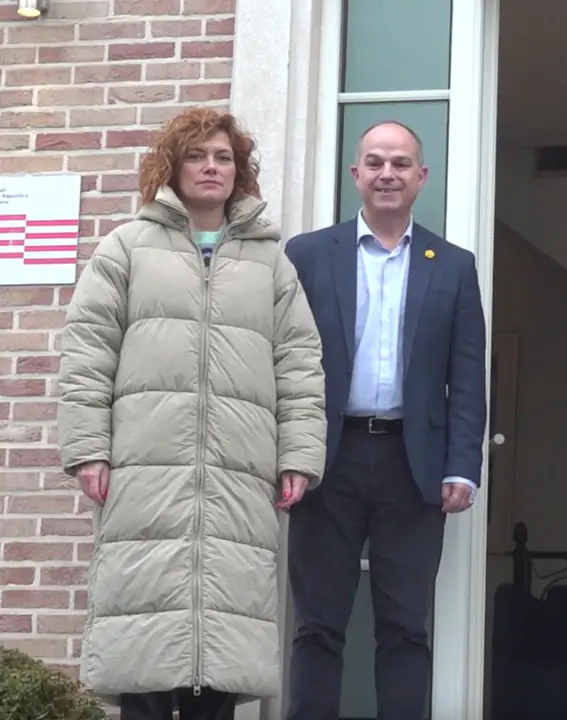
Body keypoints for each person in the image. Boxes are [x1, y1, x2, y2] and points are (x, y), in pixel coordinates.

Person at [56, 107, 328, 720]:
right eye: (197, 156)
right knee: (145, 642)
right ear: (172, 167)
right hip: (144, 476)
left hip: (239, 480)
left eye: (223, 157)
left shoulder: (270, 262)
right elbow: (86, 353)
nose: (211, 167)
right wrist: (88, 449)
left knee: (223, 648)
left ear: (239, 171)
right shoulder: (126, 248)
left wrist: (298, 455)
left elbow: (300, 364)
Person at [282, 120, 488, 720]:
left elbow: (467, 376)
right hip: (328, 458)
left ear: (422, 177)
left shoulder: (452, 265)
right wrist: (288, 453)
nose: (387, 174)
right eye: (375, 162)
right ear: (356, 174)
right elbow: (282, 360)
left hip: (412, 464)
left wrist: (463, 465)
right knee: (318, 623)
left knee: (405, 626)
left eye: (400, 164)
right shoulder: (307, 255)